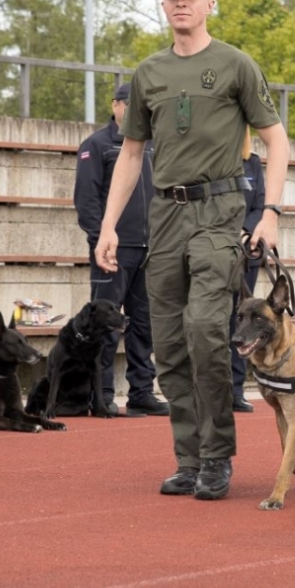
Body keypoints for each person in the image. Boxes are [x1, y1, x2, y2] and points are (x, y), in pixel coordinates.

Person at [95, 0, 290, 502]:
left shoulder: (235, 65)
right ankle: (189, 458)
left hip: (220, 211)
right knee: (171, 345)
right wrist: (109, 225)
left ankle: (218, 455)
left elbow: (277, 140)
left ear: (209, 3)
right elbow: (131, 153)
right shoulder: (148, 73)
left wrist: (269, 210)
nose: (180, 4)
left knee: (206, 331)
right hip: (164, 216)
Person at [74, 81, 168, 417]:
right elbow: (86, 201)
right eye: (127, 105)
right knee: (106, 325)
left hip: (151, 249)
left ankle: (142, 391)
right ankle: (102, 395)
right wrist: (101, 236)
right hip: (113, 250)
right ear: (115, 106)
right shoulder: (97, 145)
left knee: (144, 325)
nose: (132, 111)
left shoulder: (156, 146)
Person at [230, 131, 267, 413]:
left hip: (245, 255)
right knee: (215, 324)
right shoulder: (212, 158)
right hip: (216, 252)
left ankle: (236, 389)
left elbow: (260, 205)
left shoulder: (252, 162)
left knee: (242, 323)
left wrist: (247, 230)